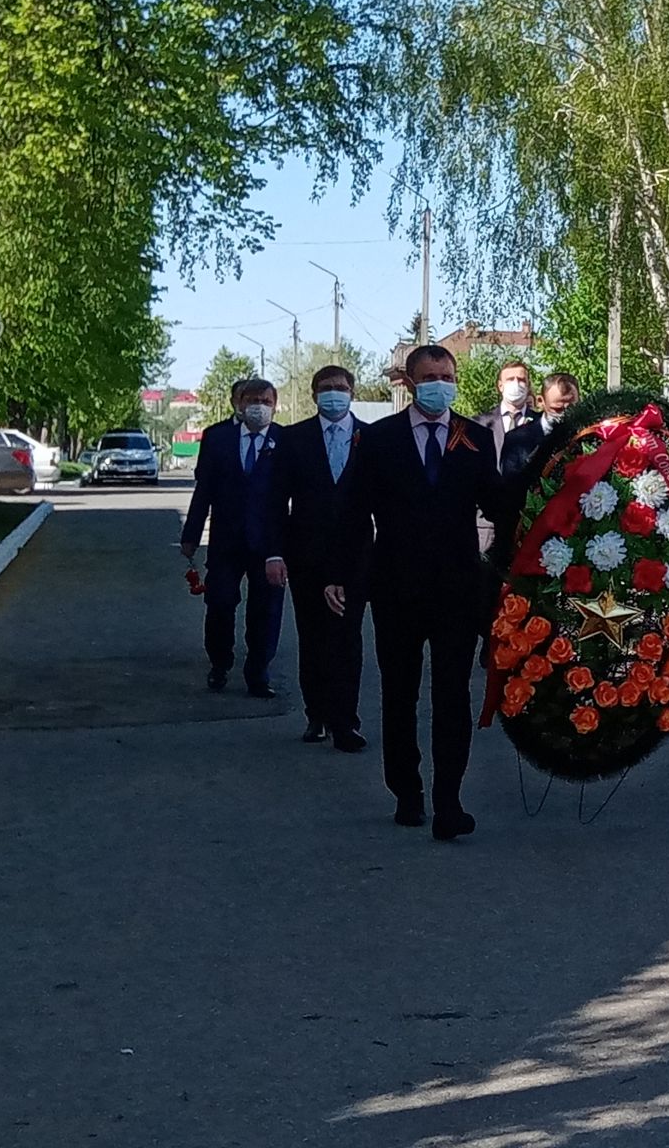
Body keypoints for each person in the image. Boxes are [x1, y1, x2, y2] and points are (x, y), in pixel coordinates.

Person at [326, 345, 504, 842]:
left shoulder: (473, 436)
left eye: (447, 376)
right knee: (399, 694)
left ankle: (450, 800)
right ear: (409, 381)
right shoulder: (379, 438)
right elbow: (353, 512)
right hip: (396, 588)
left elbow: (497, 502)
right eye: (429, 376)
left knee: (452, 696)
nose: (440, 384)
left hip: (456, 589)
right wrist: (338, 572)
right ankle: (407, 790)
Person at [264, 365, 369, 750]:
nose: (334, 394)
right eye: (326, 388)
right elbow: (276, 502)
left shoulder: (369, 439)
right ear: (314, 394)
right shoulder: (294, 439)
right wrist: (274, 554)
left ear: (352, 392)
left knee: (347, 638)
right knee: (313, 638)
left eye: (340, 388)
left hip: (356, 556)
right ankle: (317, 714)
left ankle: (347, 721)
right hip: (306, 555)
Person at [180, 377, 285, 697]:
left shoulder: (286, 440)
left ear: (275, 405)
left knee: (265, 610)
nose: (259, 407)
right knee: (220, 603)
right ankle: (220, 662)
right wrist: (191, 534)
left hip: (269, 544)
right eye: (253, 400)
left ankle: (259, 672)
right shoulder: (217, 438)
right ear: (238, 403)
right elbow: (205, 490)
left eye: (266, 401)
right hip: (226, 541)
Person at [498, 372, 581, 531]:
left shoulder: (589, 436)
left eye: (572, 406)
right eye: (557, 408)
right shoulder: (517, 440)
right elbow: (509, 493)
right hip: (530, 529)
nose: (565, 414)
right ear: (541, 401)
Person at [473, 360, 532, 553]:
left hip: (530, 526)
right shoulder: (479, 425)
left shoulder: (542, 424)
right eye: (510, 379)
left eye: (521, 379)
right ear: (500, 385)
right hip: (488, 529)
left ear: (529, 385)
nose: (516, 384)